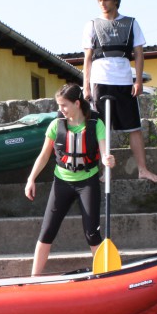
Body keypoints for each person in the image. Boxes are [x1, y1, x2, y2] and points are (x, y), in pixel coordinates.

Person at [24, 84, 115, 276]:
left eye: (64, 105)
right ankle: (34, 279)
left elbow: (105, 152)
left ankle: (106, 277)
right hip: (61, 183)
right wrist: (31, 179)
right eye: (59, 105)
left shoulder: (96, 125)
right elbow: (43, 156)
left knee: (92, 233)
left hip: (87, 183)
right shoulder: (55, 125)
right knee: (47, 232)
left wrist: (109, 160)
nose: (60, 110)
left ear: (76, 103)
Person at [82, 0, 157, 183]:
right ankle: (104, 171)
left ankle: (142, 169)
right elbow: (88, 58)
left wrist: (138, 80)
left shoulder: (131, 23)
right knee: (101, 128)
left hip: (124, 81)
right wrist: (87, 86)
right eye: (100, 0)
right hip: (99, 80)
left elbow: (139, 54)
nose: (103, 4)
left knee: (134, 127)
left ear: (115, 0)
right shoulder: (92, 24)